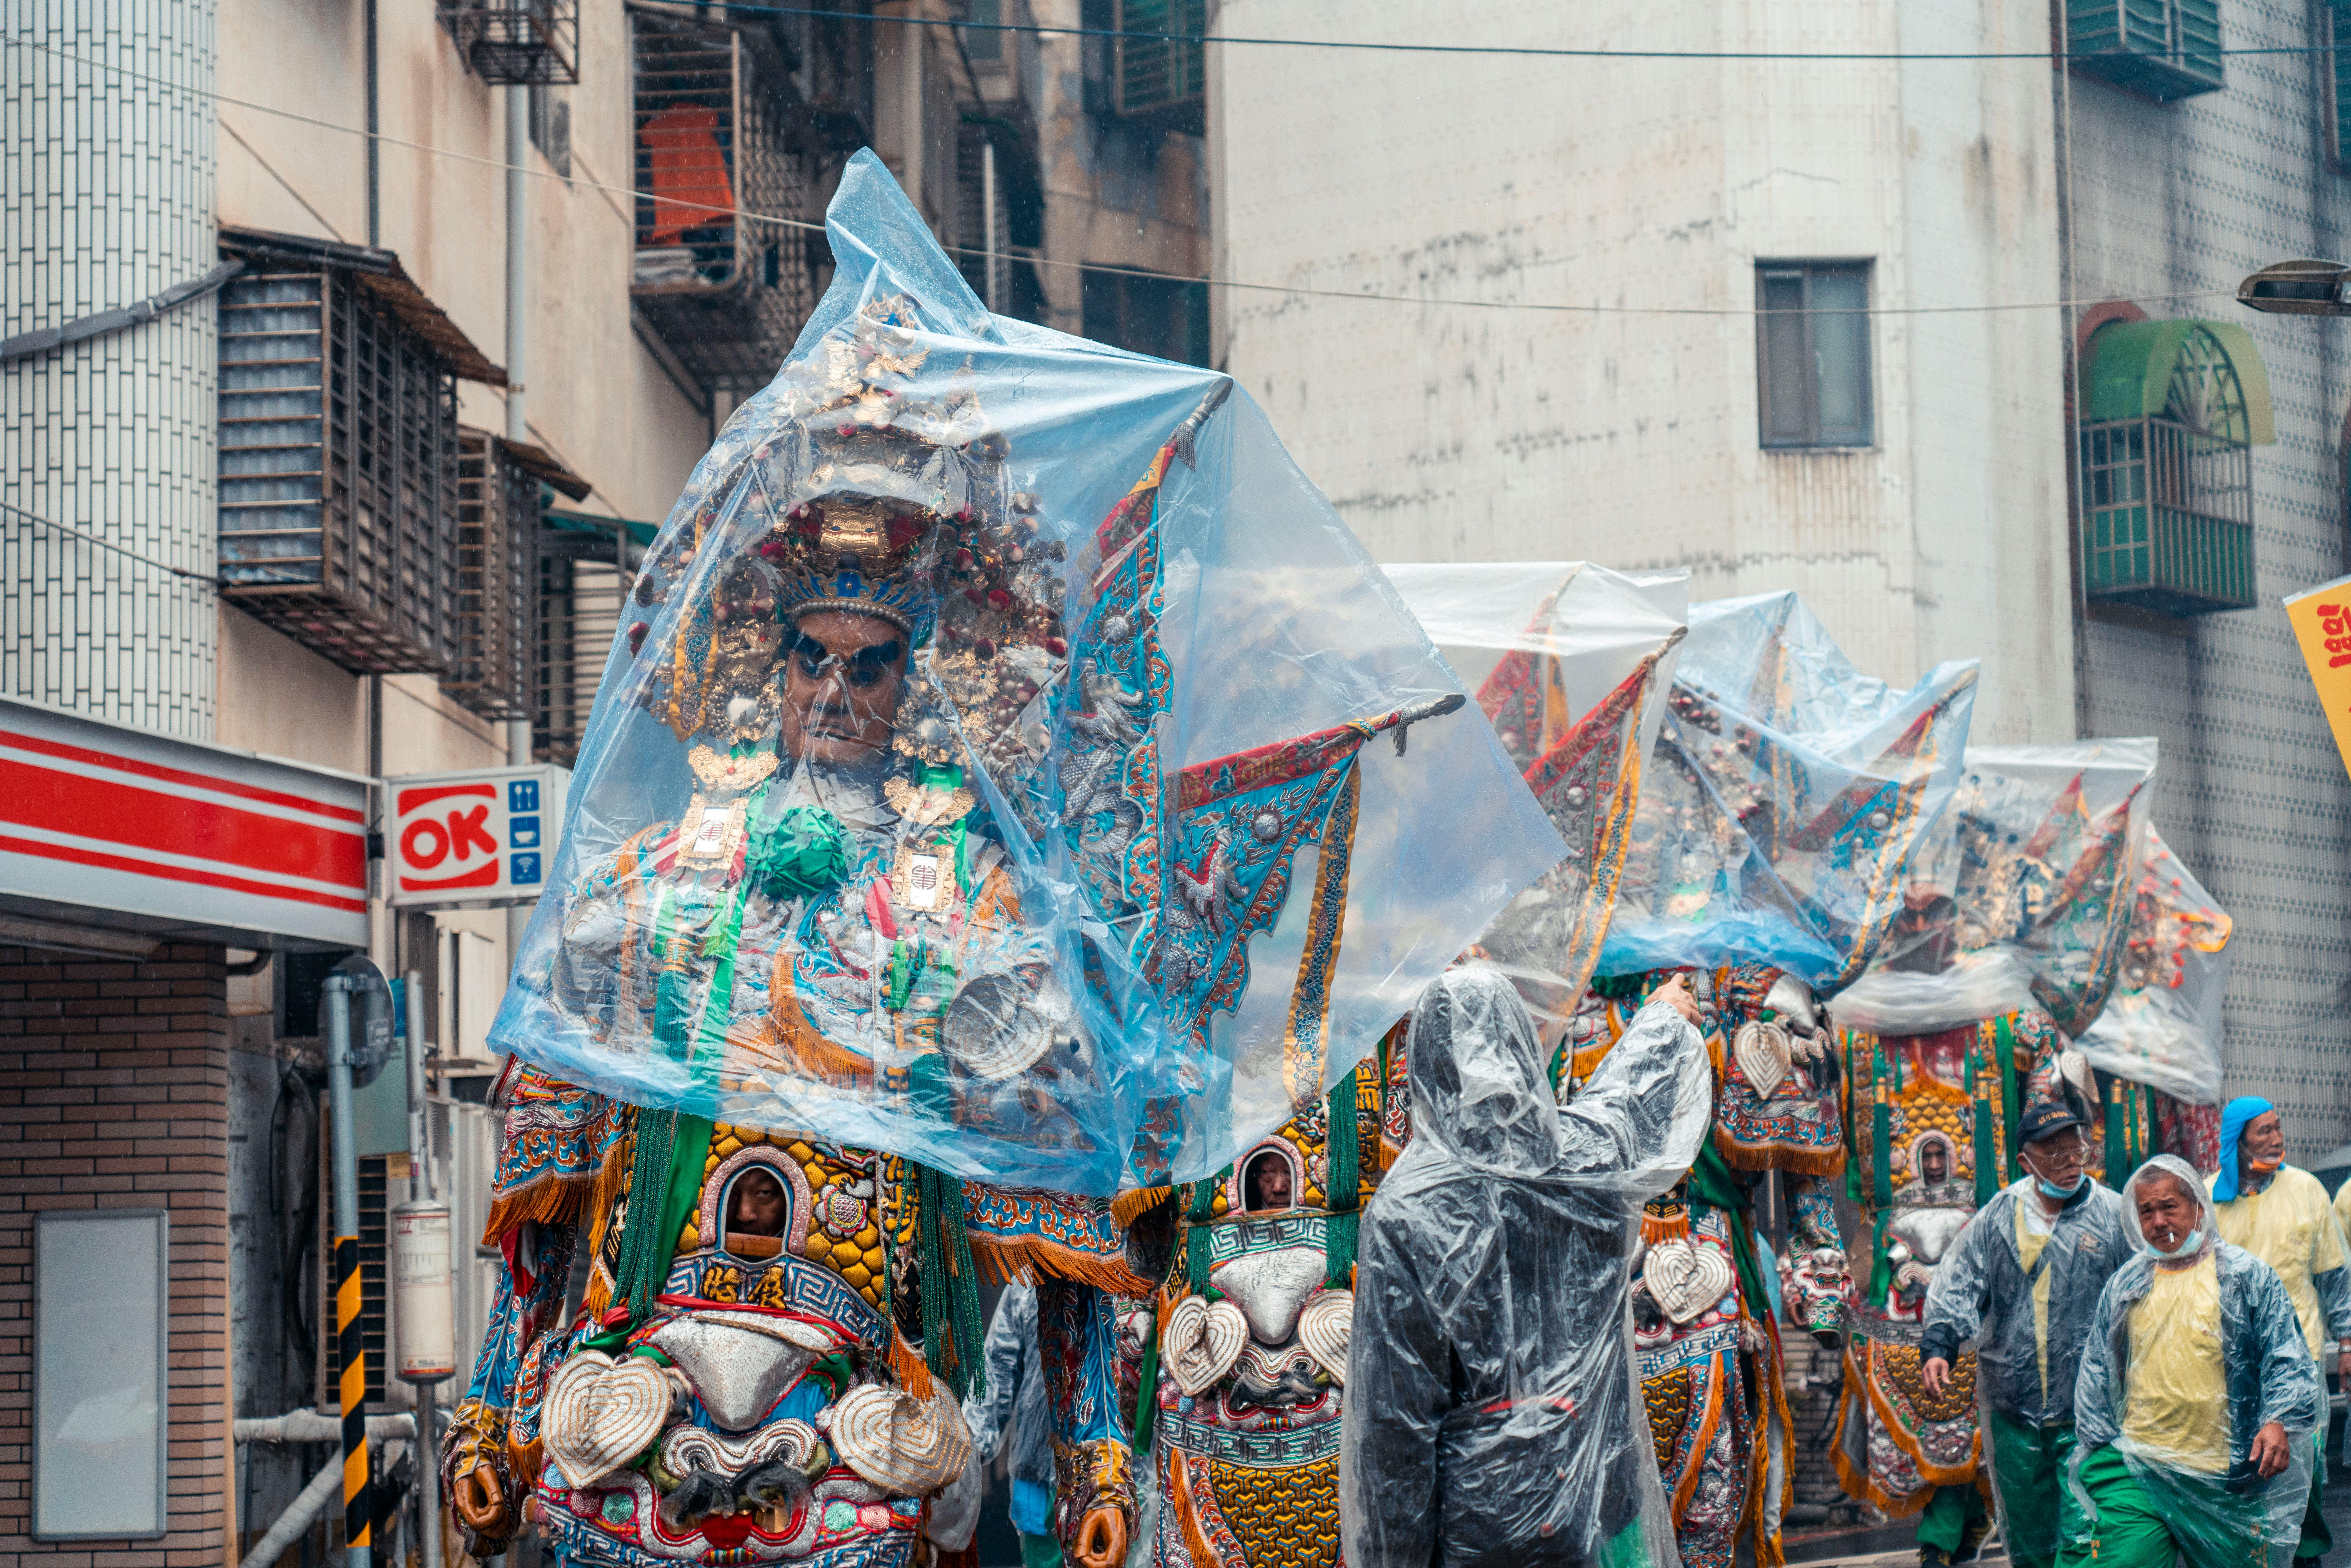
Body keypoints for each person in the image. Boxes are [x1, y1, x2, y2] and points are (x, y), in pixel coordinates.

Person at [1341, 965, 1711, 1567]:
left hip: (1483, 1529)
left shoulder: (1405, 1212)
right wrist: (1665, 1017)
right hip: (1597, 1509)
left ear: (1425, 1064)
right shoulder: (1587, 1163)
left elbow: (1395, 1431)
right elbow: (1626, 1096)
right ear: (1519, 1046)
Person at [2064, 1155, 2322, 1568]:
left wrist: (2278, 1419)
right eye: (2146, 1212)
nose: (2158, 1222)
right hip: (2138, 1469)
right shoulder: (2126, 1285)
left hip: (2224, 1475)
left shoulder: (2245, 1276)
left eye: (2169, 1207)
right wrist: (2096, 1446)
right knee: (2128, 1560)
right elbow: (2097, 1369)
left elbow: (2285, 1356)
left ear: (2198, 1208)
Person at [1918, 1101, 2129, 1568]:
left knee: (2085, 1538)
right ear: (2026, 1162)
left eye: (2076, 1149)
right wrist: (1939, 1347)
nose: (2070, 1162)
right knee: (2031, 1544)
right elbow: (1958, 1285)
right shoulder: (1999, 1217)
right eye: (2055, 1153)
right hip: (2014, 1411)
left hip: (2091, 1413)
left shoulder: (2114, 1215)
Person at [2206, 1095, 2351, 1560]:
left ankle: (2305, 1556)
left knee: (2303, 1469)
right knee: (2244, 1473)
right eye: (2263, 1131)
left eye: (2278, 1127)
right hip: (2230, 1368)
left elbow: (2334, 1275)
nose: (2277, 1138)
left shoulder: (2306, 1189)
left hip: (2298, 1362)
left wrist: (2348, 1340)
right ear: (2238, 1142)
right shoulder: (2208, 1200)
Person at [964, 1281, 1062, 1568]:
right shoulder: (1029, 1279)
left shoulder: (1129, 1272)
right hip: (1037, 1469)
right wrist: (967, 1450)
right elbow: (999, 1365)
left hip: (1116, 1471)